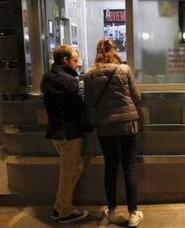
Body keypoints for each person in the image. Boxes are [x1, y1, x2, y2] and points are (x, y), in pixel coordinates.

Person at [84, 37, 143, 227]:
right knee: (129, 167)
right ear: (114, 50)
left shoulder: (89, 74)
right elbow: (137, 96)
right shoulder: (124, 69)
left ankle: (111, 210)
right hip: (128, 124)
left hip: (106, 127)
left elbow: (89, 103)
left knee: (110, 167)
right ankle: (133, 214)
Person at [40, 45, 89, 223]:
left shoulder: (46, 77)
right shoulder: (70, 80)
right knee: (68, 171)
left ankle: (59, 206)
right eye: (75, 60)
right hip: (69, 132)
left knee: (75, 167)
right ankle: (65, 211)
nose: (77, 64)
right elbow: (80, 106)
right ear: (66, 60)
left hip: (54, 131)